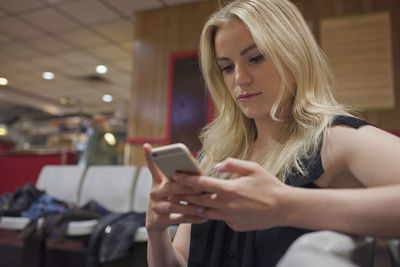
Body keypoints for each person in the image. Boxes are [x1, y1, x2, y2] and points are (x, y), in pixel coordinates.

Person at [143, 0, 400, 266]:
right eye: (227, 67)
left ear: (293, 55)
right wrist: (155, 231)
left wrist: (287, 206)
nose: (239, 79)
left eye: (255, 58)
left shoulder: (334, 139)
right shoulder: (214, 155)